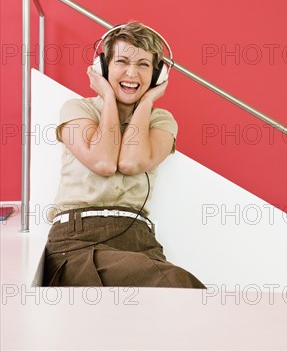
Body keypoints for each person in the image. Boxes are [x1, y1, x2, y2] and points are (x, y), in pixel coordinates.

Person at [42, 21, 205, 288]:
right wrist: (107, 96)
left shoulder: (161, 120)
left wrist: (147, 102)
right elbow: (104, 162)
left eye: (143, 65)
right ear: (103, 67)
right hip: (77, 243)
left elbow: (131, 162)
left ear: (157, 75)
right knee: (180, 286)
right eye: (122, 61)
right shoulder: (76, 109)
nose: (132, 73)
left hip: (140, 240)